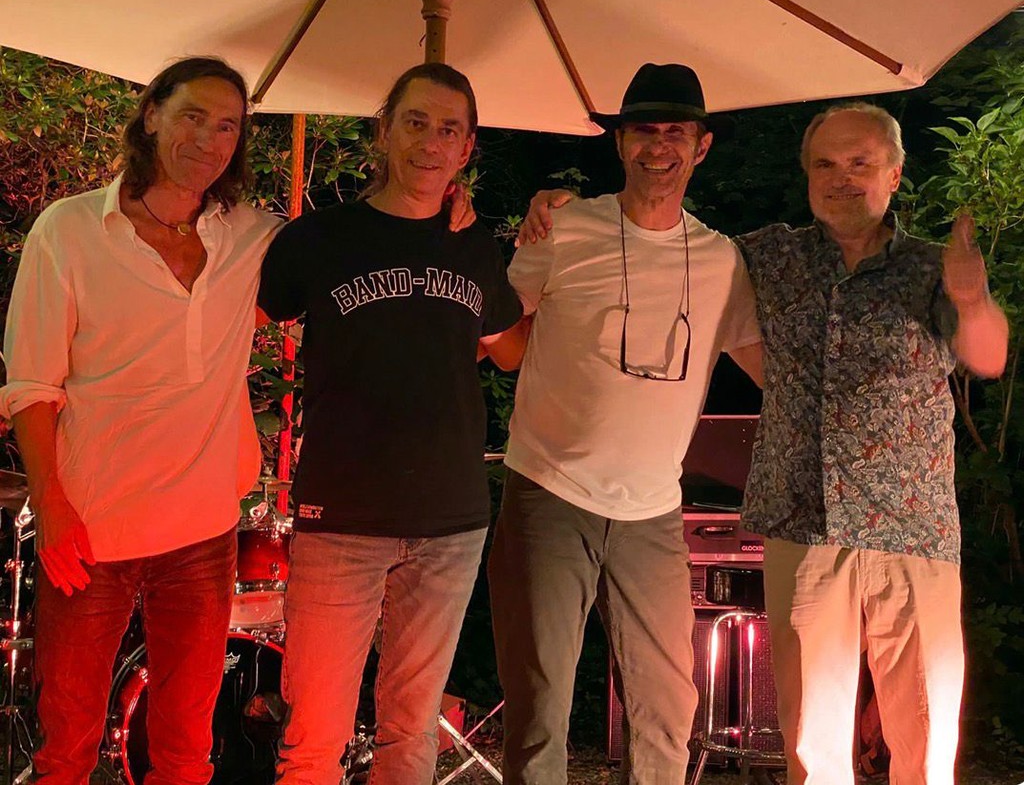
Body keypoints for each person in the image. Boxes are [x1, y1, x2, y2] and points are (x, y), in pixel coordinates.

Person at [0, 57, 282, 784]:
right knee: (66, 747)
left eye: (228, 126)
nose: (210, 139)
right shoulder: (69, 231)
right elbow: (31, 385)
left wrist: (456, 211)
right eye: (194, 116)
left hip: (203, 534)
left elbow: (362, 249)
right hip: (92, 530)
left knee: (186, 752)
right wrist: (51, 505)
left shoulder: (251, 237)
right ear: (151, 114)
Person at [488, 63, 763, 785]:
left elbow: (770, 367)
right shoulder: (564, 227)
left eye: (677, 132)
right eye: (643, 130)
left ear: (702, 146)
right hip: (549, 489)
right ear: (619, 142)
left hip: (653, 509)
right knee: (539, 707)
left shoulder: (721, 260)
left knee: (667, 710)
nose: (658, 146)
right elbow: (501, 337)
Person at [259, 63, 525, 785]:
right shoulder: (320, 239)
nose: (430, 143)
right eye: (416, 122)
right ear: (384, 130)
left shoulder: (473, 243)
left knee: (411, 735)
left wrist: (554, 238)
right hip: (340, 519)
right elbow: (232, 322)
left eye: (448, 130)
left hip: (450, 522)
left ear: (466, 148)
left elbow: (511, 349)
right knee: (313, 738)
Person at [735, 103, 1007, 785]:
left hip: (913, 528)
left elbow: (989, 357)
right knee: (810, 747)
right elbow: (675, 252)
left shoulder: (930, 267)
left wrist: (972, 300)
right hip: (803, 522)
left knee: (925, 739)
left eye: (860, 162)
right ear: (806, 175)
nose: (842, 178)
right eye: (825, 164)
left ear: (894, 173)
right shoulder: (771, 256)